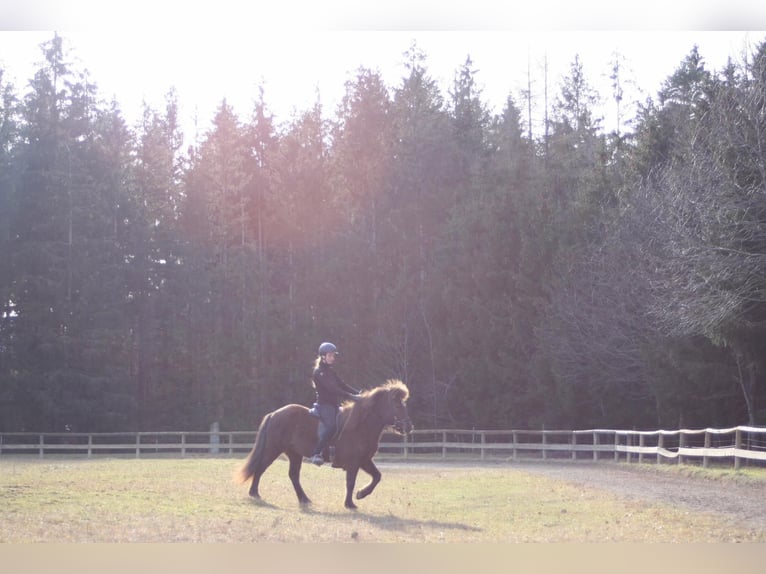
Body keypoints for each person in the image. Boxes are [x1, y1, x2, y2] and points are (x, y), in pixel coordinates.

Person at [307, 341, 361, 466]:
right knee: (332, 426)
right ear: (323, 356)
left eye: (333, 356)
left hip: (334, 406)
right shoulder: (319, 372)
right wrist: (351, 396)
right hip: (324, 406)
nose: (333, 358)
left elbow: (342, 385)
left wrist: (359, 392)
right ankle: (316, 452)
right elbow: (332, 388)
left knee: (345, 424)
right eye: (330, 355)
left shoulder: (331, 371)